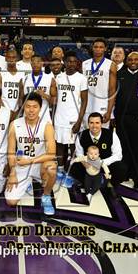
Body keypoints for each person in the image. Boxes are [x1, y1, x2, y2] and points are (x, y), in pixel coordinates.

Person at [5, 92, 57, 215]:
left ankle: (46, 195)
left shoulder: (47, 126)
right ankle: (27, 181)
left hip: (40, 163)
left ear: (40, 108)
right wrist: (12, 173)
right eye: (28, 106)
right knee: (11, 202)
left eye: (35, 107)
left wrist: (30, 161)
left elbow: (51, 154)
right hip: (21, 164)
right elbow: (11, 152)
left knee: (51, 168)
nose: (31, 110)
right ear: (23, 107)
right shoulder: (15, 124)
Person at [114, 52, 138, 191]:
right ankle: (124, 174)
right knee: (123, 147)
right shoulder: (120, 74)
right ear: (126, 61)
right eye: (130, 59)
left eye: (136, 59)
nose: (133, 61)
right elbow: (113, 96)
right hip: (121, 119)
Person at [69, 112, 127, 196]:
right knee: (73, 166)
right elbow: (79, 154)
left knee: (122, 168)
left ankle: (110, 184)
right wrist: (86, 164)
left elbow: (118, 155)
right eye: (91, 123)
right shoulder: (81, 135)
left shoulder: (111, 134)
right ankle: (89, 182)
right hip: (89, 165)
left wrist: (101, 163)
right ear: (88, 123)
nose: (94, 126)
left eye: (97, 123)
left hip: (105, 164)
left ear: (101, 124)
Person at [54, 51, 88, 188]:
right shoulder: (59, 77)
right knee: (60, 145)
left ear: (77, 63)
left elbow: (84, 101)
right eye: (69, 61)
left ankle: (71, 172)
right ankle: (60, 171)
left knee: (74, 147)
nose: (71, 64)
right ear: (65, 62)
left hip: (73, 118)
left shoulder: (81, 78)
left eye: (74, 61)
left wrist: (79, 121)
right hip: (59, 117)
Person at [82, 38, 117, 127]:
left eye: (101, 47)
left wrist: (109, 111)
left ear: (105, 49)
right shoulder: (85, 64)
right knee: (87, 134)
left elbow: (112, 90)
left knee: (101, 136)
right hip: (87, 105)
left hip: (102, 106)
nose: (98, 49)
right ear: (92, 48)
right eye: (96, 47)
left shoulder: (111, 64)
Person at [23, 54, 57, 122]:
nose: (35, 64)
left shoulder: (50, 79)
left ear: (42, 64)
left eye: (38, 62)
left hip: (44, 116)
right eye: (33, 62)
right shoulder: (24, 79)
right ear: (30, 64)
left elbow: (54, 101)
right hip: (28, 115)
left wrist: (44, 95)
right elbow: (21, 101)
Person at [0, 49, 24, 118]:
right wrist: (5, 111)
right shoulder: (0, 75)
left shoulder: (22, 75)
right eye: (9, 57)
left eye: (13, 57)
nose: (11, 60)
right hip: (3, 111)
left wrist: (18, 111)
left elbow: (21, 96)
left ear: (17, 59)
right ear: (6, 58)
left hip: (17, 111)